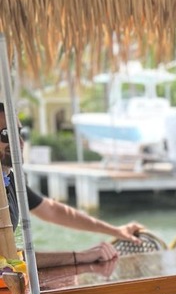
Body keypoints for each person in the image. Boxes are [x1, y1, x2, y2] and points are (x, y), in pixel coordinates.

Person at [0, 103, 145, 268]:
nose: (19, 142)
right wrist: (80, 256)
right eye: (6, 134)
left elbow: (52, 210)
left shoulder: (9, 179)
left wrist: (115, 230)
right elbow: (8, 259)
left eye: (20, 133)